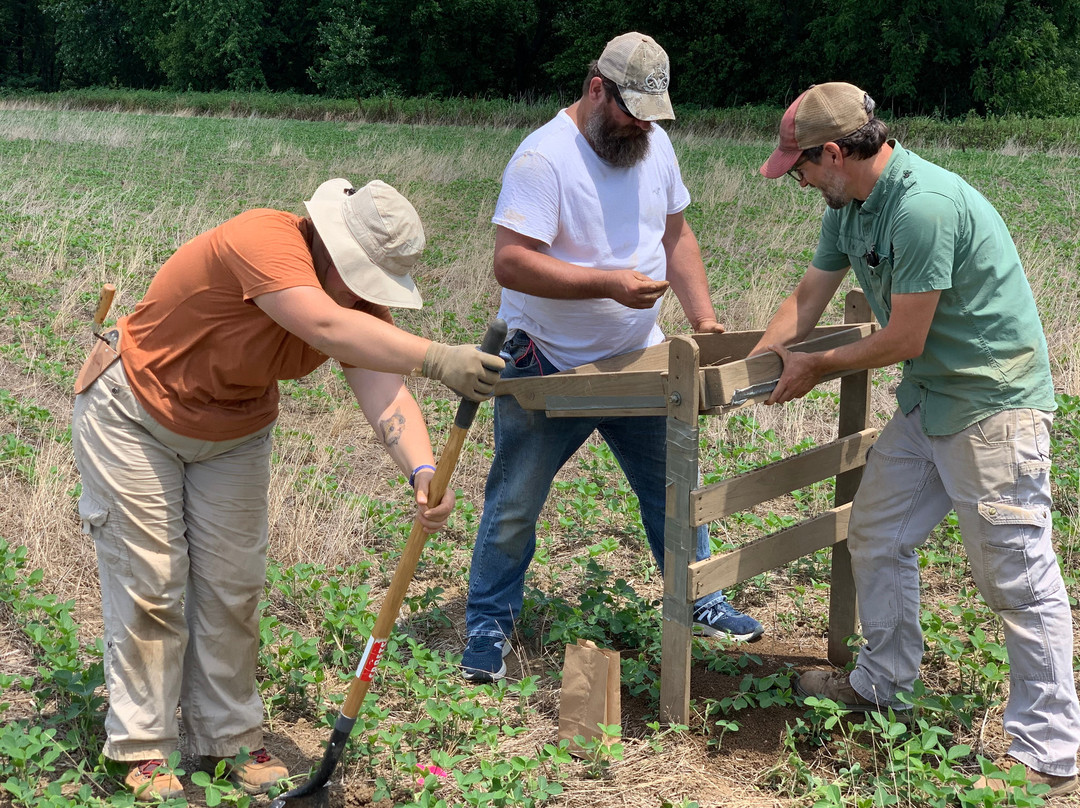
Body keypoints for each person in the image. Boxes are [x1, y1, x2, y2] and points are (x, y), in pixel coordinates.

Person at [71, 178, 504, 800]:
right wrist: (437, 357)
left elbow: (382, 388)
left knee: (233, 586)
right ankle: (141, 746)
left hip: (235, 431)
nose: (364, 298)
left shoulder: (352, 305)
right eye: (360, 279)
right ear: (330, 248)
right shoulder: (262, 239)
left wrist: (421, 469)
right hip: (134, 414)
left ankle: (227, 737)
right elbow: (322, 324)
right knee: (153, 584)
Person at [754, 82, 1079, 796]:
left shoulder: (923, 206)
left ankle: (1050, 755)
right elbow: (807, 298)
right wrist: (749, 370)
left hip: (993, 404)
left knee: (1016, 576)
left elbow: (904, 336)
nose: (798, 181)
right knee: (875, 531)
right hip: (932, 398)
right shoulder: (851, 205)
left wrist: (815, 367)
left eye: (801, 167)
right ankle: (883, 686)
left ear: (834, 153)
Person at [460, 32, 764, 684]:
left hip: (638, 358)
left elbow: (675, 234)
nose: (641, 128)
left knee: (673, 489)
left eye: (652, 116)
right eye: (631, 112)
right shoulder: (544, 159)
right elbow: (511, 262)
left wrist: (704, 317)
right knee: (514, 503)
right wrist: (608, 283)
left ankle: (701, 599)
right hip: (546, 363)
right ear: (596, 87)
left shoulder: (652, 143)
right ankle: (487, 630)